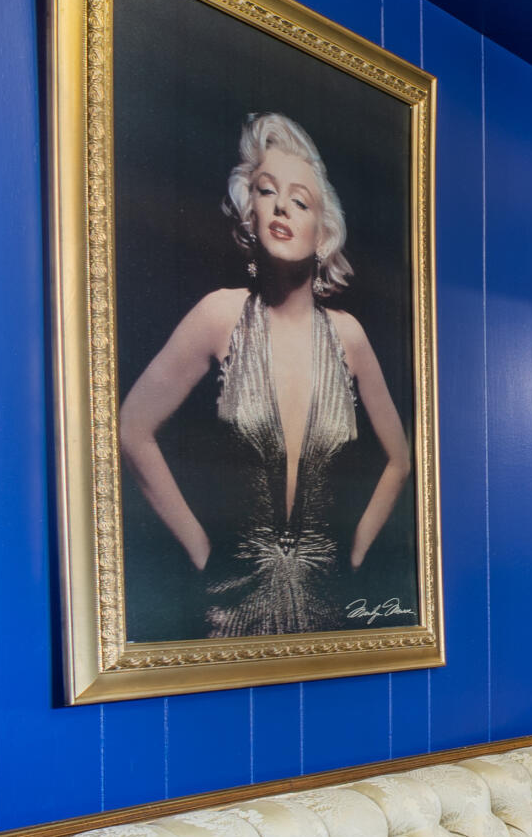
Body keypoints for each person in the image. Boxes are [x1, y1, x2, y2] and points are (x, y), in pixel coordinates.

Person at [119, 111, 414, 637]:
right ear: (248, 215)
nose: (281, 206)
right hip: (228, 613)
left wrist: (357, 551)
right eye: (266, 192)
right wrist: (201, 548)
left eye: (300, 201)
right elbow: (129, 428)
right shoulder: (219, 315)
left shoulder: (349, 336)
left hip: (330, 614)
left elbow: (400, 459)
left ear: (322, 235)